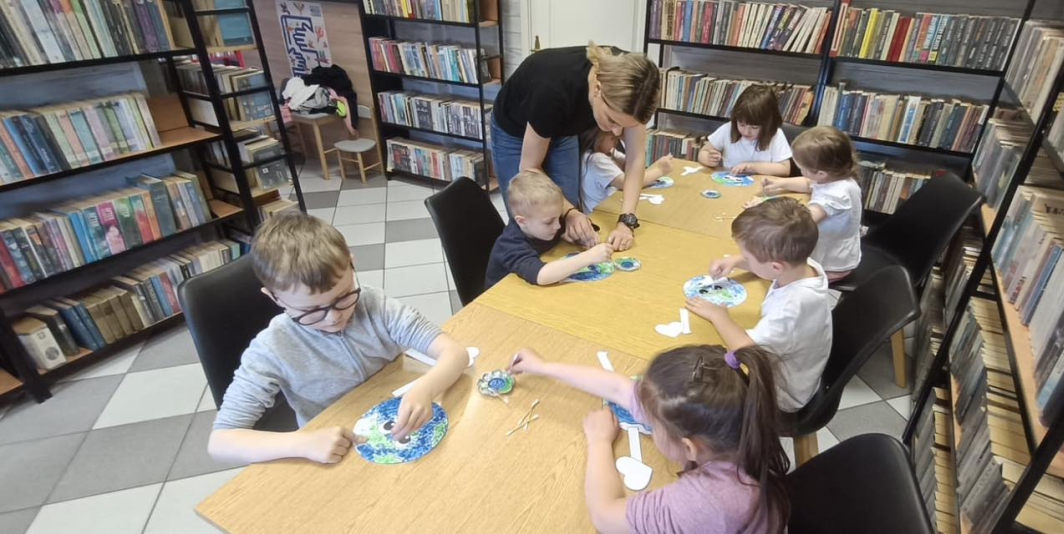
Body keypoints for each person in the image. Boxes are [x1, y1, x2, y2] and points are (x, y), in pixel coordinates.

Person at [208, 212, 470, 464]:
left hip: (394, 420)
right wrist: (301, 443)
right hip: (333, 447)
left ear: (351, 264)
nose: (333, 317)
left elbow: (455, 353)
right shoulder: (272, 348)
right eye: (311, 310)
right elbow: (221, 442)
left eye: (343, 296)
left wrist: (426, 388)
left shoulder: (375, 305)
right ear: (274, 297)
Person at [508, 345, 790, 533]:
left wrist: (599, 442)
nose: (647, 421)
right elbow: (618, 389)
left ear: (689, 447)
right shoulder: (741, 420)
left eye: (653, 425)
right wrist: (543, 366)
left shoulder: (709, 503)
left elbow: (604, 516)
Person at [491, 42, 660, 252]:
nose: (617, 133)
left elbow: (635, 159)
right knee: (536, 218)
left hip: (564, 128)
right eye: (612, 120)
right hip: (515, 130)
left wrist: (626, 222)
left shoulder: (636, 89)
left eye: (625, 126)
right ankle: (525, 266)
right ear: (597, 88)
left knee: (566, 219)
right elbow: (529, 168)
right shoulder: (553, 89)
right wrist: (570, 212)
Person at [686, 197, 832, 412]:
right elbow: (769, 267)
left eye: (747, 256)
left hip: (782, 395)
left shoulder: (791, 308)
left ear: (776, 267)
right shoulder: (804, 265)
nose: (743, 258)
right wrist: (735, 261)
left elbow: (745, 348)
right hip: (799, 369)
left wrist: (719, 315)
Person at [745, 126, 862, 281]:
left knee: (769, 269)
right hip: (839, 251)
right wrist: (781, 182)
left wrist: (764, 208)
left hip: (831, 265)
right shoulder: (838, 176)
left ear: (821, 173)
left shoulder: (835, 195)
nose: (801, 172)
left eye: (801, 168)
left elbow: (799, 223)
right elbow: (810, 183)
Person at [484, 169, 613, 290]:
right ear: (522, 221)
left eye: (559, 216)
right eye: (549, 222)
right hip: (502, 297)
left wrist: (581, 236)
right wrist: (588, 257)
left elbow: (572, 227)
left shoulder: (543, 220)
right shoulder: (510, 245)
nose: (557, 226)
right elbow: (541, 275)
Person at [697, 85, 792, 177]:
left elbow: (785, 169)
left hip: (760, 185)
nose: (746, 132)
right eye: (741, 124)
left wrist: (750, 166)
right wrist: (708, 158)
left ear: (768, 123)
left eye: (754, 127)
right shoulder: (728, 128)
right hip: (730, 182)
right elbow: (703, 152)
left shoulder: (775, 135)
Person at [579, 127, 675, 213]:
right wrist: (660, 170)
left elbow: (635, 166)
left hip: (613, 203)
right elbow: (629, 183)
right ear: (598, 138)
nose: (616, 142)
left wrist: (627, 140)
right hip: (600, 213)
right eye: (612, 138)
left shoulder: (609, 152)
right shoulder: (596, 159)